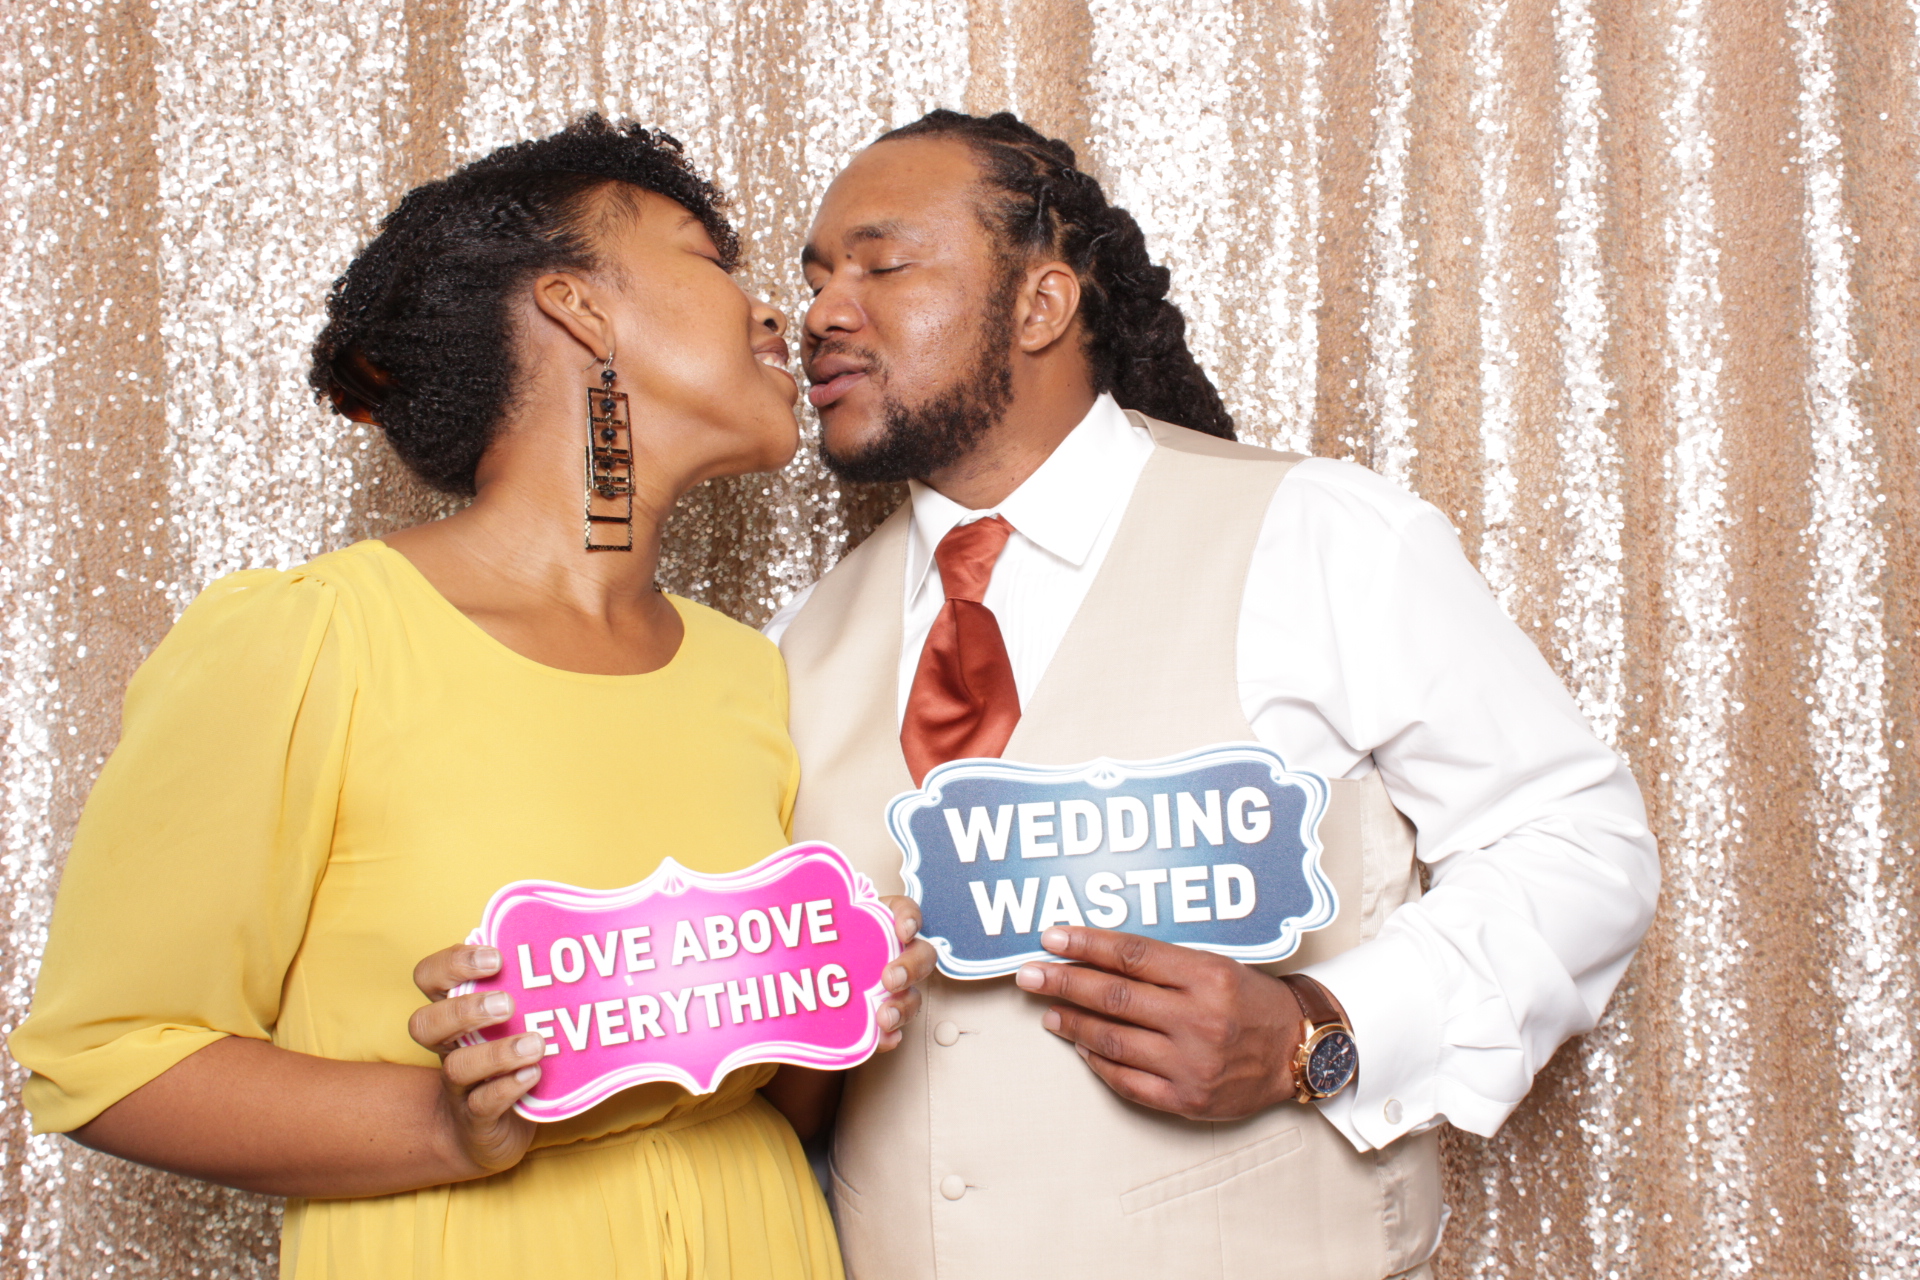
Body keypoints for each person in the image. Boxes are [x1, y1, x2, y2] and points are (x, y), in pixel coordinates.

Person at [9, 115, 932, 1280]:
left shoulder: (748, 669)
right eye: (711, 260)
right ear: (578, 308)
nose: (773, 315)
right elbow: (106, 1057)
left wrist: (840, 994)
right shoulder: (313, 640)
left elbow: (750, 1092)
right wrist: (446, 1124)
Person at [765, 110, 1661, 1280]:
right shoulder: (795, 643)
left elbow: (1580, 843)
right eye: (816, 279)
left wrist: (1318, 1030)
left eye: (881, 265)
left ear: (1041, 304)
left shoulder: (1316, 533)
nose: (822, 313)